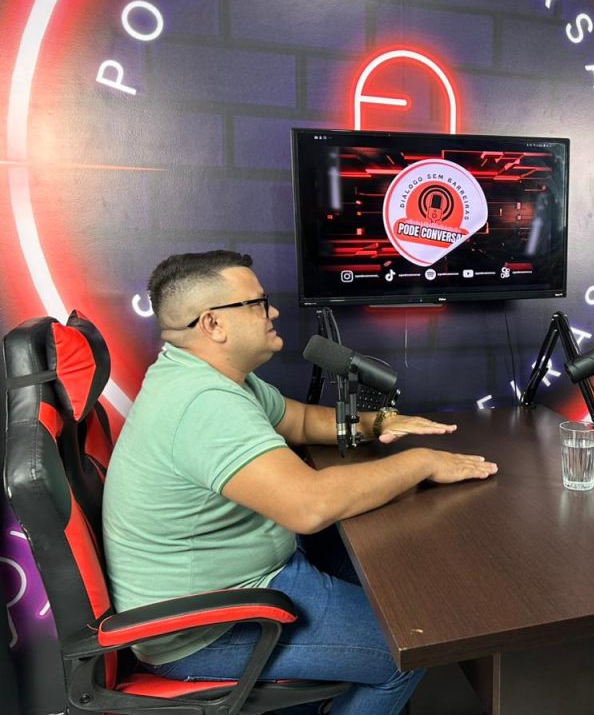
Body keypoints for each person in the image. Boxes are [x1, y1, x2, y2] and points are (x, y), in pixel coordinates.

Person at [102, 250, 498, 715]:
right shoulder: (203, 403)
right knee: (409, 648)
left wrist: (381, 423)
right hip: (208, 628)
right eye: (257, 303)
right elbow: (309, 506)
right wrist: (422, 462)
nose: (272, 312)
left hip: (252, 580)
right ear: (213, 323)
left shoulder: (213, 378)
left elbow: (301, 420)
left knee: (393, 573)